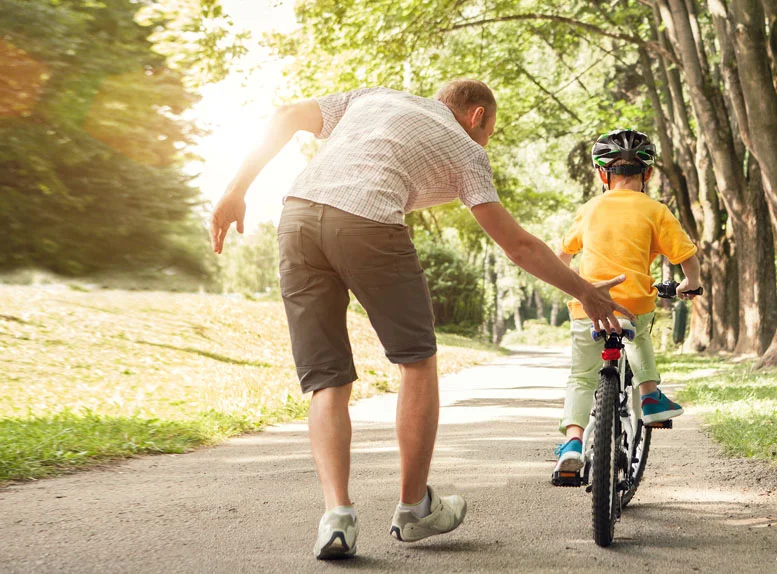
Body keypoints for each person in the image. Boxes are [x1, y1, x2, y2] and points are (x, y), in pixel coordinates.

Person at [210, 80, 633, 559]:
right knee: (417, 361)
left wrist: (234, 191)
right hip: (368, 223)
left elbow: (285, 114)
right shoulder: (467, 149)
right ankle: (413, 508)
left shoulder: (371, 97)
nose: (486, 141)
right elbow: (517, 245)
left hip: (298, 219)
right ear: (477, 117)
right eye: (490, 131)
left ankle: (338, 517)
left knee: (327, 379)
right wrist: (585, 292)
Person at [552, 129, 702, 479]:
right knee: (639, 336)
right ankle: (650, 396)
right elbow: (687, 258)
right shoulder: (655, 210)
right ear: (647, 174)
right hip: (633, 301)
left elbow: (562, 256)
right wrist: (690, 285)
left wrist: (573, 286)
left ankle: (573, 443)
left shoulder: (590, 209)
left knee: (581, 376)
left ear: (602, 174)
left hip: (588, 304)